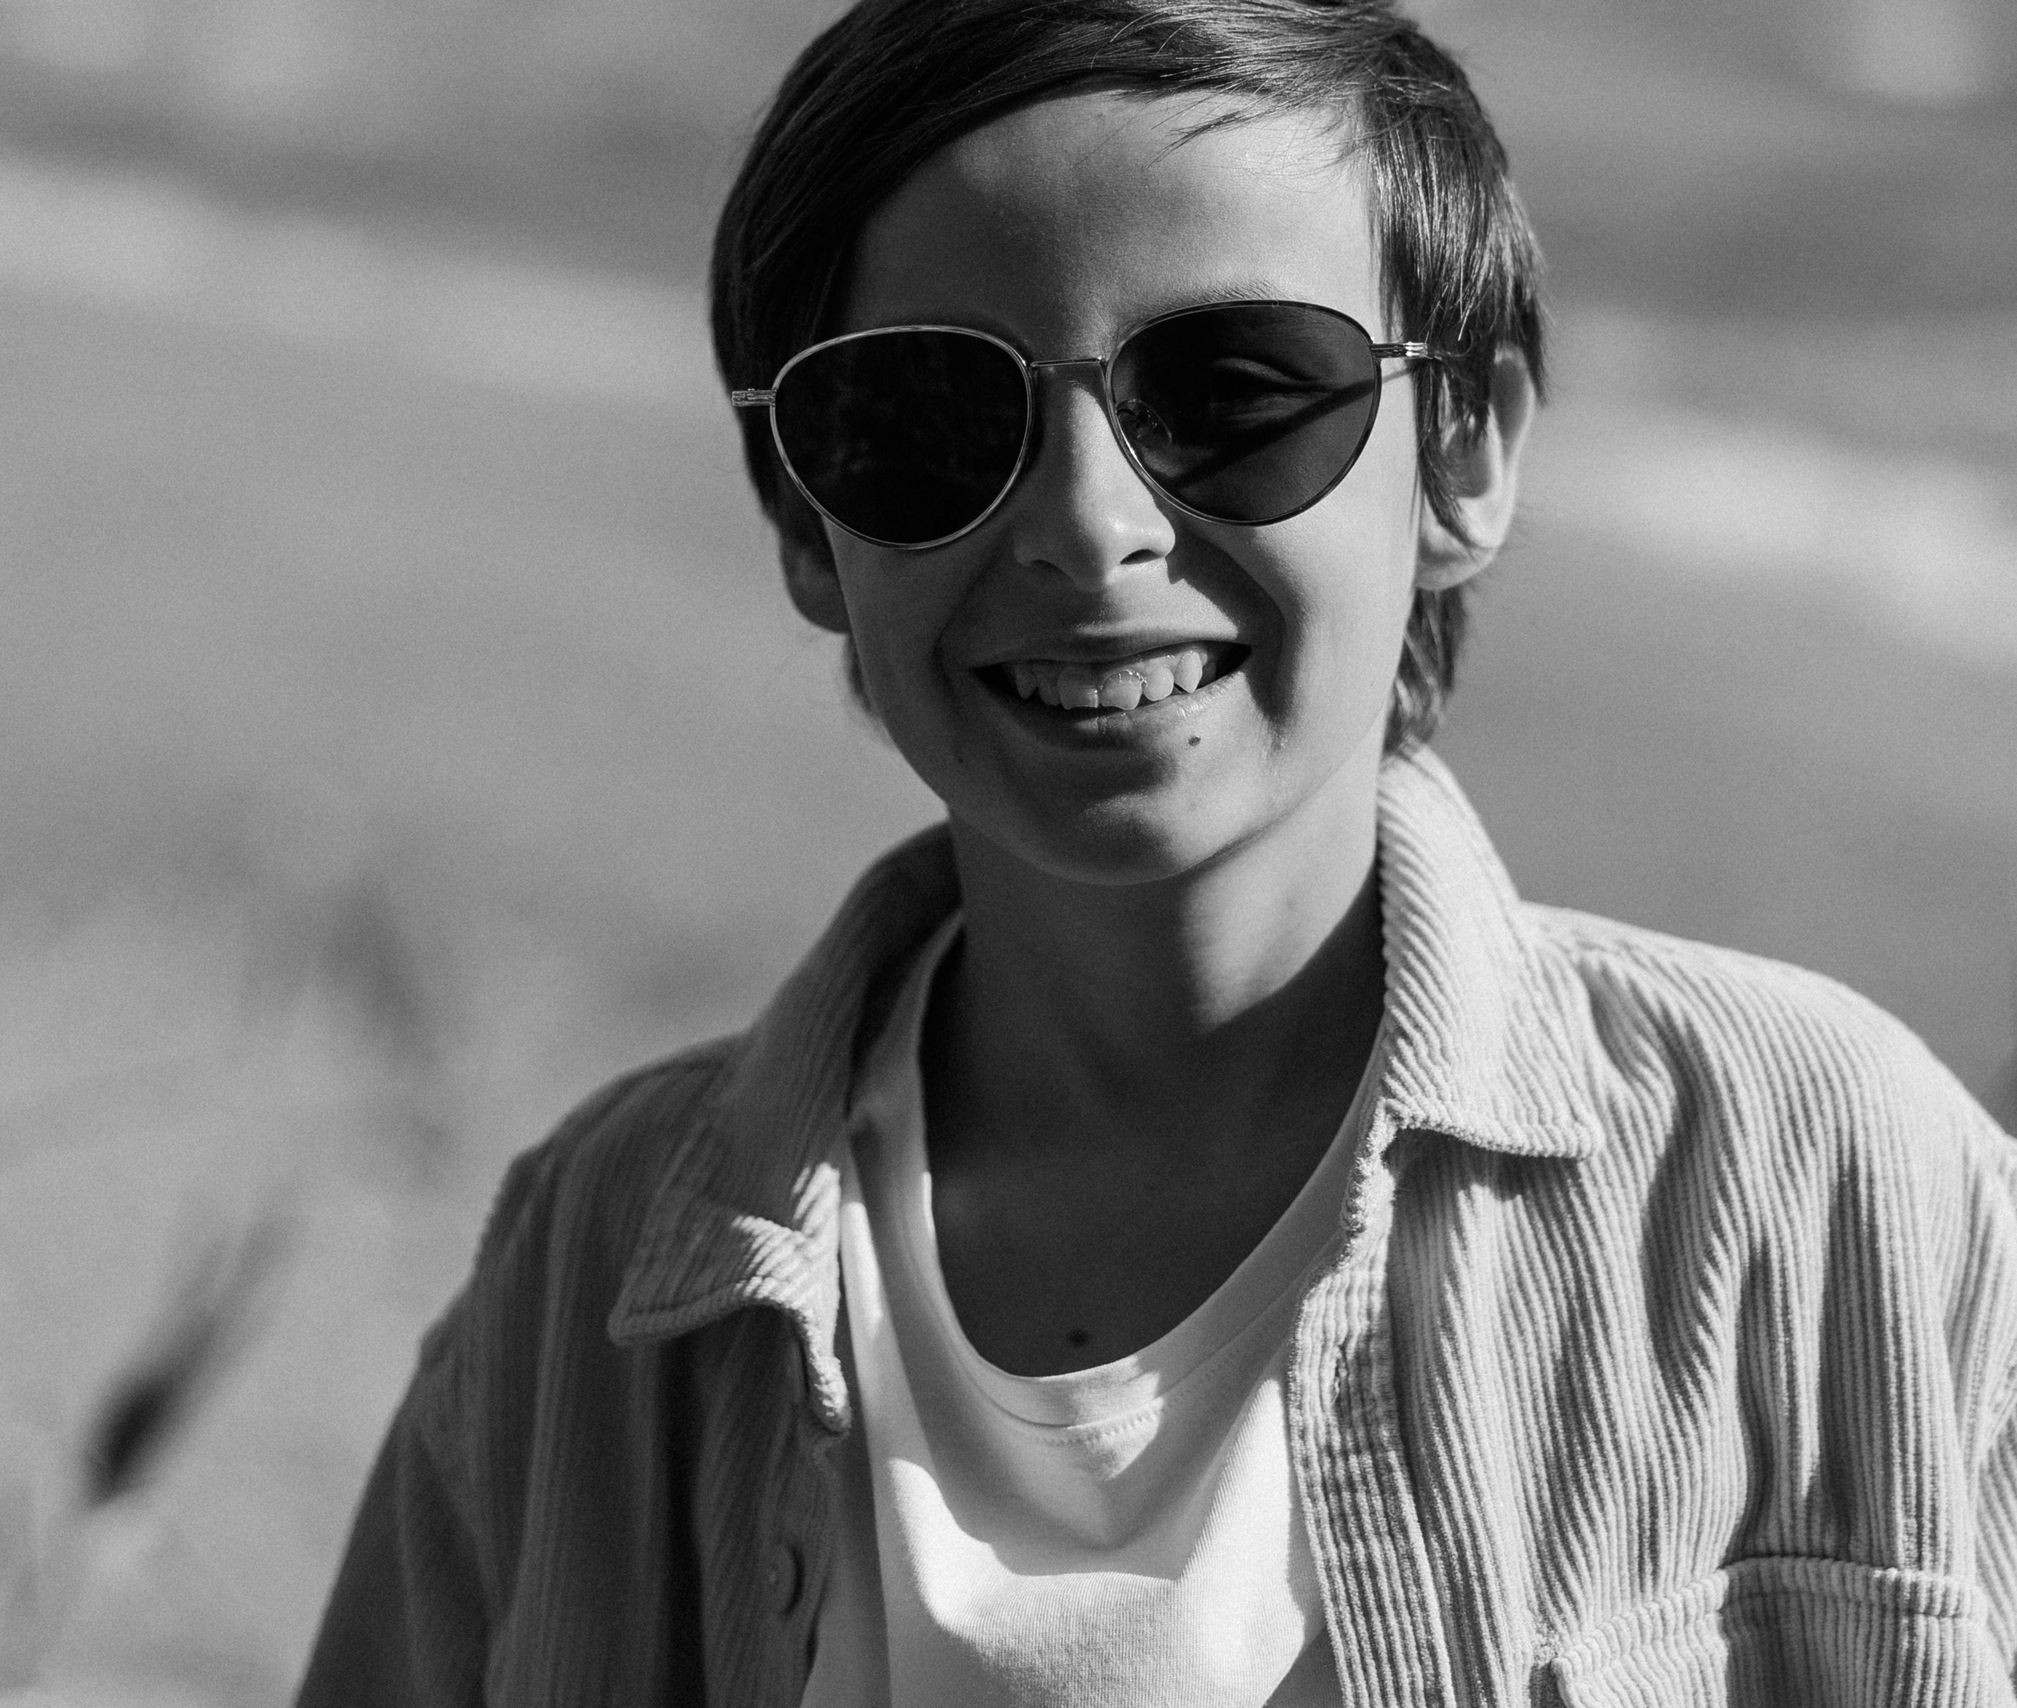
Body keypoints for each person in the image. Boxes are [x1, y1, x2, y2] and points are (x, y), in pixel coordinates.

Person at [297, 0, 2017, 1702]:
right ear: (802, 519)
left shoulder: (1816, 1188)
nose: (1086, 524)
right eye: (927, 420)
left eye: (1234, 393)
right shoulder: (591, 1282)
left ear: (1466, 451)